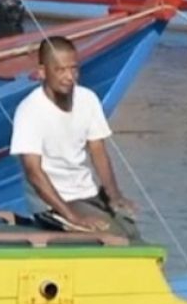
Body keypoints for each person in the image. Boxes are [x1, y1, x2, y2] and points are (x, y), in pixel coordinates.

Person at [10, 36, 139, 239]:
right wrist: (72, 218)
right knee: (112, 236)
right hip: (51, 205)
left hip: (86, 195)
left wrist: (114, 196)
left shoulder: (87, 99)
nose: (69, 77)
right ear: (43, 72)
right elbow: (33, 171)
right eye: (60, 70)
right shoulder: (29, 110)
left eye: (73, 69)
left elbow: (98, 151)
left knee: (130, 229)